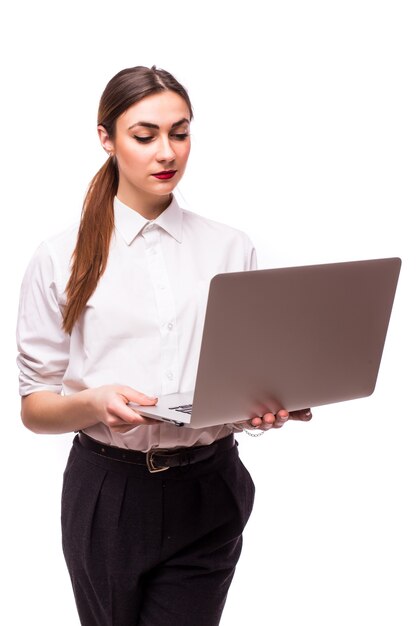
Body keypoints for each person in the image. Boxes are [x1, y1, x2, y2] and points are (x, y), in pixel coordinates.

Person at [16, 65, 312, 626]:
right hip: (108, 494)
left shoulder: (230, 247)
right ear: (106, 138)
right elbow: (35, 407)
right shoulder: (60, 258)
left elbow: (239, 378)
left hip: (209, 485)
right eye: (144, 135)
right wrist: (93, 403)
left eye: (180, 132)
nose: (166, 152)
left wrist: (261, 411)